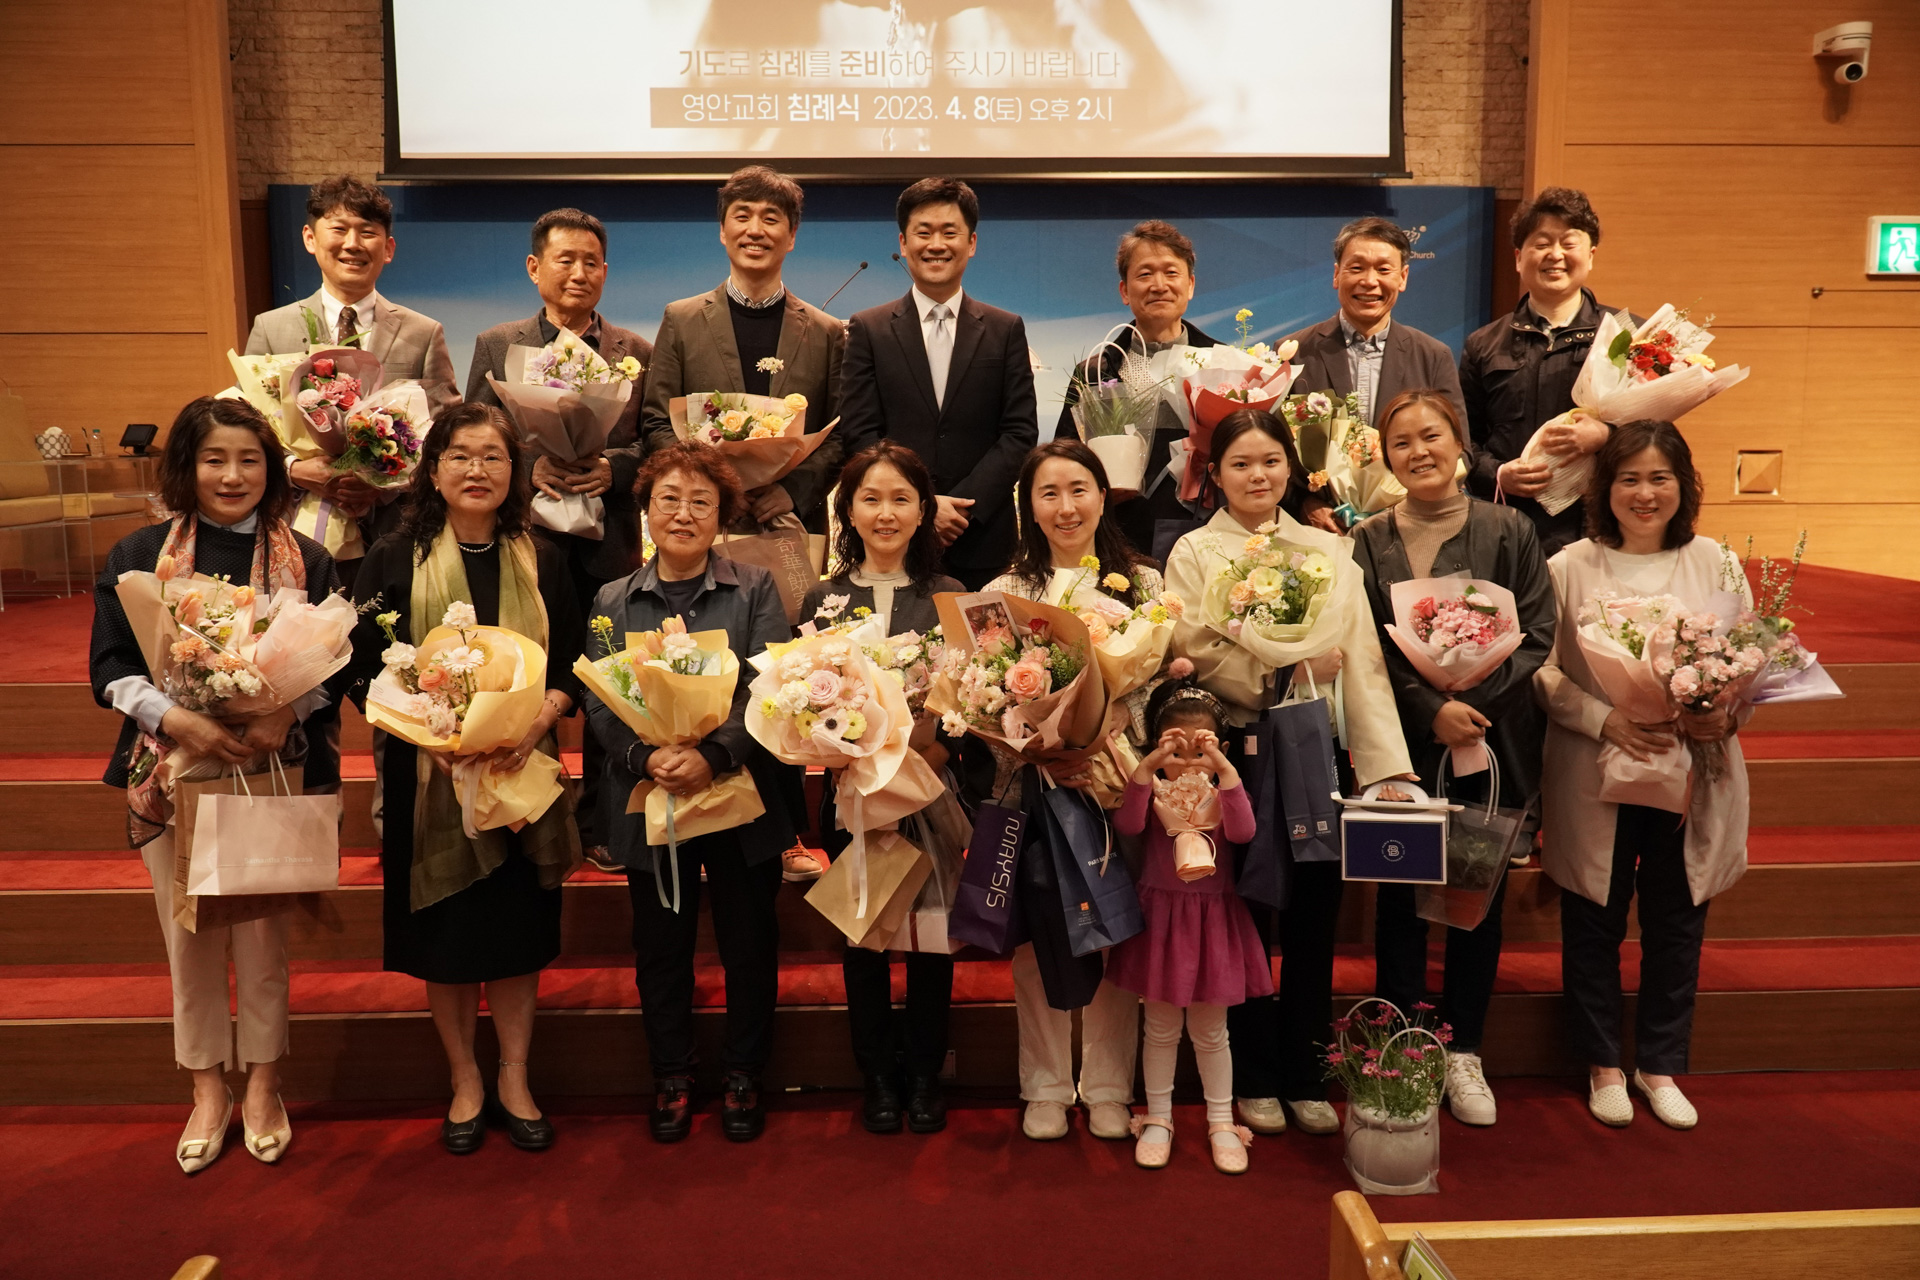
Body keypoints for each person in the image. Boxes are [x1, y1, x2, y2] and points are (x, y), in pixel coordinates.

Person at [88, 396, 340, 1173]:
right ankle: (205, 1087)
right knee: (188, 941)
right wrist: (176, 719)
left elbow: (337, 665)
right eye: (214, 459)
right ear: (186, 467)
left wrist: (286, 709)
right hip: (172, 771)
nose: (232, 476)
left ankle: (263, 1084)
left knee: (263, 940)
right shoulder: (139, 555)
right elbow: (110, 665)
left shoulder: (308, 559)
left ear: (271, 470)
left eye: (249, 460)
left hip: (273, 768)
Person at [1162, 408, 1413, 1140]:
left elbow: (1361, 662)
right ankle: (1252, 1074)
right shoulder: (1194, 552)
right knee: (1242, 918)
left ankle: (1307, 1071)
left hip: (1312, 751)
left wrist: (1385, 768)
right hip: (1233, 756)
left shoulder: (1329, 551)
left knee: (1312, 915)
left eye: (1270, 461)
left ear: (1290, 469)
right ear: (1215, 473)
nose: (1258, 475)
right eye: (1240, 463)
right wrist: (1289, 667)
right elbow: (1192, 652)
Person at [344, 403, 583, 1155]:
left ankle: (514, 1074)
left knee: (516, 933)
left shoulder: (544, 558)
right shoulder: (392, 557)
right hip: (427, 782)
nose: (476, 470)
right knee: (445, 936)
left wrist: (539, 721)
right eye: (460, 455)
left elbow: (572, 661)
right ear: (435, 468)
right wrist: (430, 732)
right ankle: (465, 1078)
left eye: (493, 456)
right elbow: (360, 669)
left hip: (519, 775)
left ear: (515, 472)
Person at [1535, 420, 1751, 1131]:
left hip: (1690, 768)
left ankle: (1659, 1065)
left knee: (1676, 917)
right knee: (1592, 918)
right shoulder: (1571, 566)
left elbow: (1750, 661)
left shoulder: (1715, 563)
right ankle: (1602, 1063)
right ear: (1606, 487)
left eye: (1660, 478)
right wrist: (1603, 719)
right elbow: (1542, 670)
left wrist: (1720, 713)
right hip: (1595, 769)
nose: (1644, 493)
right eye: (1629, 478)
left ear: (1683, 486)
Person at [1349, 390, 1556, 1126]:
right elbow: (1364, 643)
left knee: (1475, 903)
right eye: (1401, 442)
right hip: (1403, 747)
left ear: (1459, 440)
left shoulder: (1510, 528)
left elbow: (1536, 633)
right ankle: (1402, 1045)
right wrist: (1428, 708)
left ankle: (1464, 1049)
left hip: (1488, 742)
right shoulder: (1369, 540)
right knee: (1401, 903)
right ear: (1386, 457)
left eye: (1431, 435)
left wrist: (1473, 703)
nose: (1419, 452)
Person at [583, 442, 799, 1144]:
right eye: (669, 500)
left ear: (722, 515)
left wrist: (713, 755)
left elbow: (769, 685)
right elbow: (599, 702)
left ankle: (744, 1072)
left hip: (738, 793)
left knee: (748, 942)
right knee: (661, 947)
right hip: (653, 798)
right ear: (646, 512)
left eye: (700, 501)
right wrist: (645, 755)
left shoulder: (755, 588)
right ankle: (671, 1074)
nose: (683, 513)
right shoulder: (613, 599)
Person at [978, 439, 1162, 1144]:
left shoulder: (1141, 583)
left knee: (1117, 931)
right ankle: (1046, 1086)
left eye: (1079, 489)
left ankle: (1110, 1087)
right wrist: (1040, 746)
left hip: (1115, 781)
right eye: (1048, 493)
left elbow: (1156, 682)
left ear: (1103, 496)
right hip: (1033, 784)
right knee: (1038, 940)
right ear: (1029, 506)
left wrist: (1102, 736)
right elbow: (980, 692)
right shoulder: (1004, 590)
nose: (1065, 507)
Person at [465, 207, 654, 869]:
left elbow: (655, 440)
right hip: (524, 541)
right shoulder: (498, 344)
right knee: (525, 672)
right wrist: (527, 466)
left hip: (608, 545)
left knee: (608, 679)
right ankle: (524, 809)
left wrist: (614, 468)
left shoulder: (636, 351)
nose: (579, 272)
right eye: (565, 259)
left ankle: (601, 820)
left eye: (591, 262)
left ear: (605, 271)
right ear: (534, 267)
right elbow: (472, 434)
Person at [797, 442, 966, 1135]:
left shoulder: (949, 594)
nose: (886, 513)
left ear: (923, 511)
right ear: (848, 511)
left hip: (929, 788)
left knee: (931, 942)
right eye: (870, 499)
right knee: (861, 940)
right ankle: (878, 1077)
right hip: (852, 795)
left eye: (901, 499)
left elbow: (968, 698)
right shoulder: (823, 598)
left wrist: (928, 751)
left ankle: (924, 1074)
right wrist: (841, 752)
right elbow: (800, 701)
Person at [245, 174, 462, 587]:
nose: (352, 243)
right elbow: (246, 426)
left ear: (388, 248)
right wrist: (295, 469)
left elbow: (446, 432)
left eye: (367, 232)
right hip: (295, 529)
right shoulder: (271, 328)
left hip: (393, 533)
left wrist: (385, 483)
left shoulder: (422, 332)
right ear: (310, 238)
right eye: (339, 229)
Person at [1106, 667, 1271, 1174]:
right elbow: (1128, 823)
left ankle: (1221, 1121)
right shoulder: (1154, 792)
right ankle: (1158, 1117)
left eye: (1199, 751)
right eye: (1175, 751)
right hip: (1162, 920)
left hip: (1213, 922)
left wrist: (1221, 766)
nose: (1187, 762)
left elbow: (1243, 833)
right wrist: (1148, 766)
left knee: (1211, 1030)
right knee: (1159, 1028)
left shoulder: (1223, 795)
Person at [840, 178, 1039, 590]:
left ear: (971, 243)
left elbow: (1019, 433)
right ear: (903, 241)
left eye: (949, 232)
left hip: (981, 538)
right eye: (923, 232)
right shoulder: (868, 328)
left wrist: (963, 509)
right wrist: (922, 507)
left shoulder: (1005, 329)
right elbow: (859, 431)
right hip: (892, 538)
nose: (936, 245)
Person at [640, 165, 843, 531]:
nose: (755, 230)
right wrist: (714, 487)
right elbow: (657, 423)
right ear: (723, 230)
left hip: (790, 523)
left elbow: (840, 433)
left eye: (771, 218)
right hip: (705, 520)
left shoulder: (826, 331)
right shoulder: (681, 319)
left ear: (792, 235)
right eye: (742, 215)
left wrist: (793, 491)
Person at [1460, 187, 1629, 557]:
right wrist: (1497, 474)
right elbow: (1463, 439)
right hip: (1510, 529)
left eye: (1569, 243)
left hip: (1603, 528)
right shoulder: (1483, 344)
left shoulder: (1625, 335)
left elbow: (1656, 435)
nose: (1555, 255)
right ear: (1519, 258)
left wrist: (1606, 434)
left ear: (1591, 255)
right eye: (1541, 244)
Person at [1051, 220, 1223, 559]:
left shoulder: (1225, 364)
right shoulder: (1094, 372)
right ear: (1125, 291)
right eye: (1145, 274)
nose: (1159, 285)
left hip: (1206, 538)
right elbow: (1065, 458)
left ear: (1190, 285)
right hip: (1118, 538)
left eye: (1171, 273)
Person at [1281, 216, 1467, 431]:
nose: (1369, 281)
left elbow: (1456, 444)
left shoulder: (1433, 357)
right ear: (1336, 274)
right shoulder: (1294, 352)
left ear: (1403, 277)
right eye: (1357, 268)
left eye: (1383, 270)